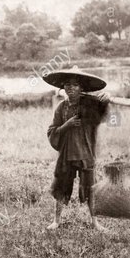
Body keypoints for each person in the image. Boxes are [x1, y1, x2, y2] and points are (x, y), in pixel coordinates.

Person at [43, 65, 110, 232]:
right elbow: (52, 131)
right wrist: (67, 125)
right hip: (66, 153)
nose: (70, 88)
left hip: (85, 152)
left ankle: (95, 222)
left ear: (81, 88)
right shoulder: (61, 107)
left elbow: (103, 115)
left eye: (74, 85)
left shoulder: (90, 105)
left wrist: (105, 100)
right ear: (63, 88)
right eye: (67, 84)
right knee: (60, 186)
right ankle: (56, 221)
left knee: (90, 188)